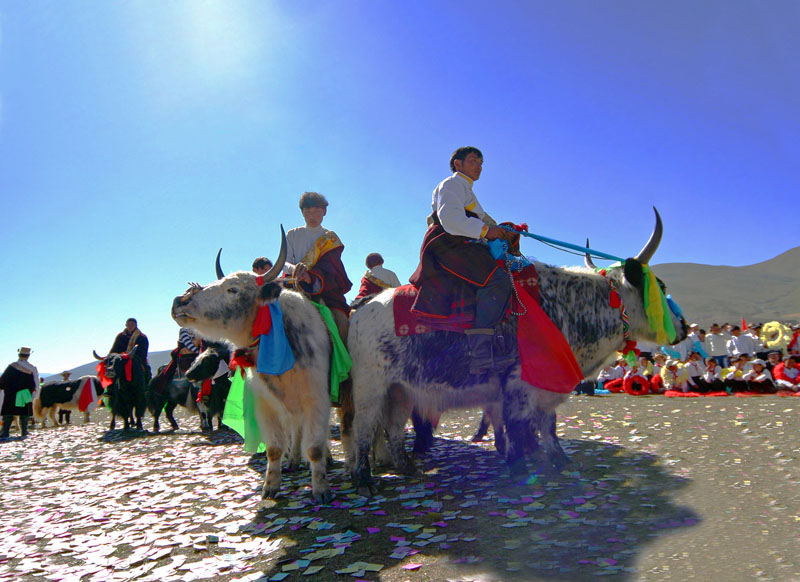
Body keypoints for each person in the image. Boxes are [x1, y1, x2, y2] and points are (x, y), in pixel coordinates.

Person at [408, 146, 515, 375]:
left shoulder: (467, 191)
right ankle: (480, 355)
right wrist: (487, 231)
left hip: (461, 244)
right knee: (498, 281)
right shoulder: (452, 184)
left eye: (481, 162)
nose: (479, 166)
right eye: (473, 160)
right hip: (448, 245)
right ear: (458, 164)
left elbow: (485, 220)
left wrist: (502, 230)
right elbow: (452, 220)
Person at [283, 191, 352, 341]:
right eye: (308, 211)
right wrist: (295, 270)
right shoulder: (292, 234)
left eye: (317, 211)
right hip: (294, 284)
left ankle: (344, 360)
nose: (312, 216)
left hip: (324, 288)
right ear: (302, 213)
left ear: (324, 212)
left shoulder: (330, 238)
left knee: (342, 322)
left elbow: (331, 267)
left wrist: (312, 277)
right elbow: (285, 262)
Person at [0, 347, 39, 440]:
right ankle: (24, 431)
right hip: (25, 393)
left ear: (19, 355)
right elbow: (36, 383)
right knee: (24, 413)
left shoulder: (12, 366)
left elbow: (3, 380)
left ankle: (5, 432)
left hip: (11, 393)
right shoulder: (32, 368)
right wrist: (35, 394)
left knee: (9, 413)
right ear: (28, 356)